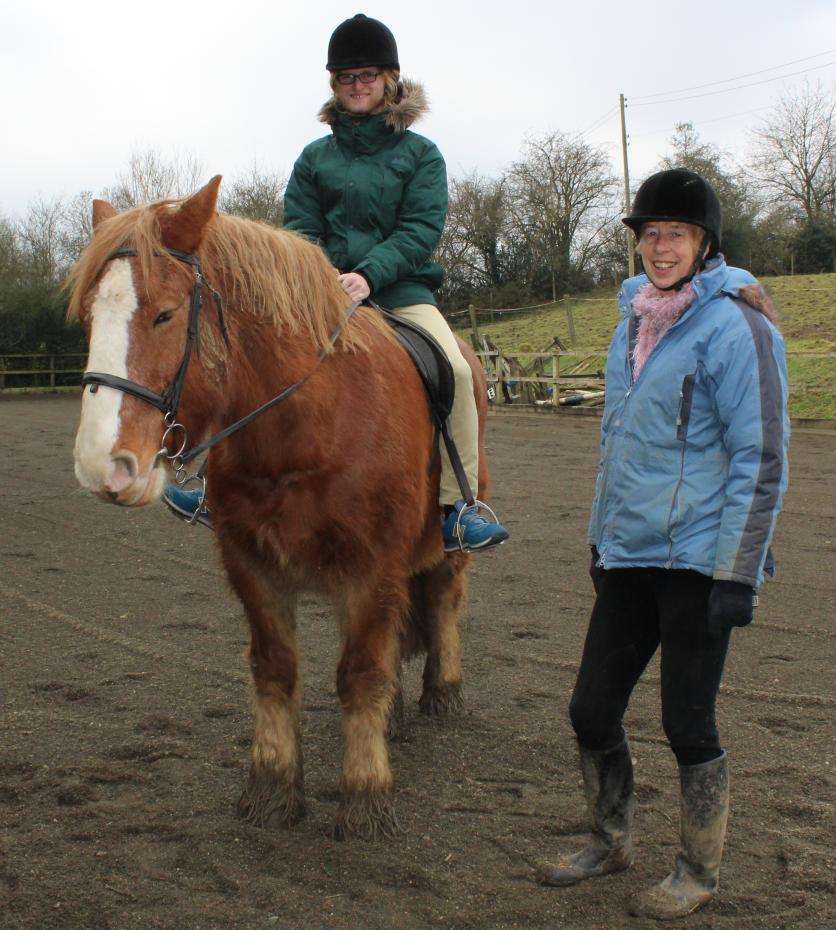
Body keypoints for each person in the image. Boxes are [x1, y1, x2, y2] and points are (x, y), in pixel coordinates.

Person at [535, 168, 789, 920]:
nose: (660, 246)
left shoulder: (738, 326)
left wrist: (737, 574)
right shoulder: (632, 323)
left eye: (675, 232)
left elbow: (762, 455)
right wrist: (599, 540)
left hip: (700, 563)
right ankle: (610, 839)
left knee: (687, 722)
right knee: (590, 709)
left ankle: (695, 870)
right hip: (631, 555)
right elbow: (617, 445)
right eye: (650, 234)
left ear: (705, 242)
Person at [280, 12, 508, 552]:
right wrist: (326, 278)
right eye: (346, 77)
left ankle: (461, 506)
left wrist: (368, 276)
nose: (357, 86)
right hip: (323, 296)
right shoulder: (314, 158)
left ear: (390, 79)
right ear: (333, 84)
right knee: (255, 354)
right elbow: (299, 228)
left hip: (402, 293)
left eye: (368, 76)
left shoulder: (421, 155)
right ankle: (219, 485)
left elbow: (419, 230)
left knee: (453, 367)